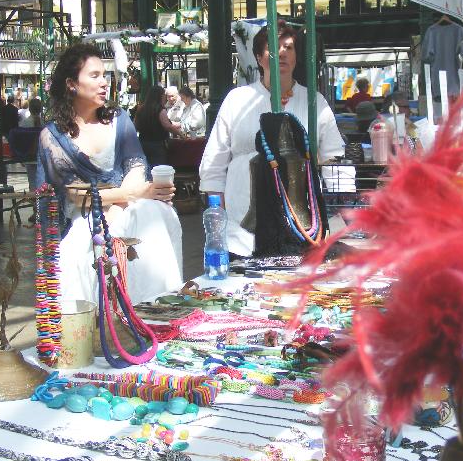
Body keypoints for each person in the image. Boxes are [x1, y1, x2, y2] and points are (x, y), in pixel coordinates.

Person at [36, 44, 182, 305]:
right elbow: (76, 194)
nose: (104, 82)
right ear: (71, 84)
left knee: (154, 213)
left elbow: (136, 167)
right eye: (94, 76)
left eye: (104, 75)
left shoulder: (119, 119)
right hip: (84, 217)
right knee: (78, 252)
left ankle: (157, 308)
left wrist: (119, 209)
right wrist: (133, 195)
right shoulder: (53, 136)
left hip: (126, 209)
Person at [199, 19, 344, 258]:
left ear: (296, 56)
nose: (281, 53)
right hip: (240, 224)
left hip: (302, 224)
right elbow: (214, 163)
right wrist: (218, 222)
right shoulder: (237, 100)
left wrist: (340, 211)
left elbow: (334, 159)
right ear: (259, 57)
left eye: (289, 47)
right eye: (272, 48)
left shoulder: (314, 101)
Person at [135, 84, 181, 166]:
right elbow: (167, 126)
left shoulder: (141, 108)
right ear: (160, 96)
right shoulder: (160, 110)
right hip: (157, 143)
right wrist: (180, 134)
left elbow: (136, 124)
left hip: (142, 142)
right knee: (158, 168)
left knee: (145, 166)